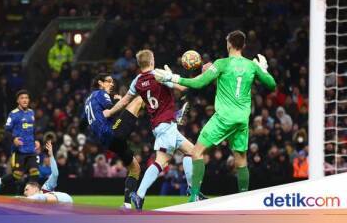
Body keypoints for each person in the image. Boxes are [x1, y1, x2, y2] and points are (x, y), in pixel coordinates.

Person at [154, 30, 277, 202]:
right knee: (241, 161)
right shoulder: (252, 66)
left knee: (196, 152)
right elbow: (272, 85)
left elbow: (198, 83)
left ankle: (194, 196)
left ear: (229, 44)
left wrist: (173, 77)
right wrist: (264, 69)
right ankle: (244, 199)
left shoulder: (222, 64)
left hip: (223, 118)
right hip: (242, 120)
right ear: (243, 46)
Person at [103, 49, 201, 211]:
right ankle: (139, 195)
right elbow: (183, 88)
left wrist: (110, 112)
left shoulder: (137, 81)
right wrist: (203, 76)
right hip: (166, 124)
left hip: (161, 125)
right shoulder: (159, 74)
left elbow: (125, 101)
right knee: (161, 161)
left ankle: (193, 191)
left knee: (192, 151)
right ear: (152, 60)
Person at [83, 73, 143, 210]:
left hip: (107, 142)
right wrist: (120, 100)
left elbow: (88, 122)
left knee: (135, 169)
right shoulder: (100, 94)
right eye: (108, 81)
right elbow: (114, 109)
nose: (112, 84)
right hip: (112, 132)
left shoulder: (87, 101)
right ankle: (170, 118)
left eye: (112, 82)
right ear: (100, 83)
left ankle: (127, 205)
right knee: (139, 100)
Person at [0, 90, 40, 195]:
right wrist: (14, 139)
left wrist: (36, 140)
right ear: (18, 101)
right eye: (22, 98)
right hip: (19, 150)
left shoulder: (31, 112)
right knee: (17, 175)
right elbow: (6, 131)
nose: (25, 100)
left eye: (26, 98)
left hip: (31, 149)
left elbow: (33, 129)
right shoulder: (13, 114)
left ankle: (32, 195)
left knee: (35, 172)